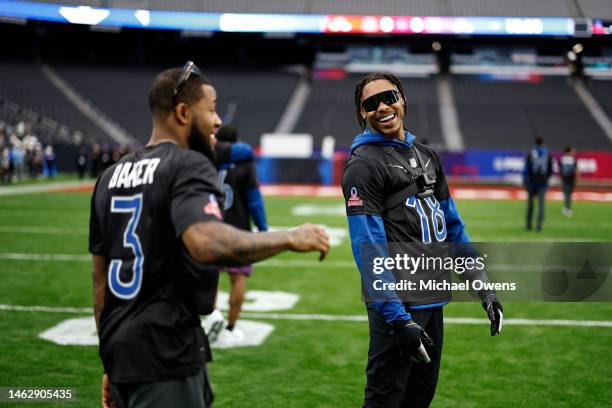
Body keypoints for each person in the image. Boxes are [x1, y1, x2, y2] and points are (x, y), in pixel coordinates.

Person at [89, 61, 330, 408]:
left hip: (124, 356)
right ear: (184, 112)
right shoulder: (188, 163)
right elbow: (206, 242)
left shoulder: (108, 178)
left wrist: (110, 359)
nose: (218, 121)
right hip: (166, 353)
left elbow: (100, 285)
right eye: (212, 110)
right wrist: (289, 237)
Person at [342, 73, 503, 408]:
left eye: (389, 97)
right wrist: (398, 318)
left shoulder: (428, 155)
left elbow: (453, 227)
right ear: (362, 114)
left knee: (419, 400)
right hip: (398, 308)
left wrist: (482, 286)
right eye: (370, 104)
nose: (382, 107)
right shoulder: (363, 166)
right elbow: (368, 248)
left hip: (433, 301)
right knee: (384, 401)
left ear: (403, 99)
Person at [208, 125, 268, 346]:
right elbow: (254, 199)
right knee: (238, 279)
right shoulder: (245, 162)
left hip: (212, 227)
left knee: (211, 278)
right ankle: (231, 327)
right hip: (239, 229)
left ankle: (211, 318)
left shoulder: (207, 159)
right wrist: (262, 228)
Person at [524, 136, 553, 231]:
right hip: (543, 182)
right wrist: (546, 178)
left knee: (530, 204)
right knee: (541, 204)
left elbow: (526, 169)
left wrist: (526, 181)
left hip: (532, 182)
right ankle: (539, 226)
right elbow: (550, 169)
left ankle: (528, 225)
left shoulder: (531, 152)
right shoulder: (547, 153)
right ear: (543, 142)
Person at [559, 145, 578, 217]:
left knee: (566, 194)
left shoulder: (562, 159)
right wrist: (577, 179)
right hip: (571, 179)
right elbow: (576, 170)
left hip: (565, 179)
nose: (574, 152)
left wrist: (561, 178)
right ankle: (568, 208)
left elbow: (560, 170)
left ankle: (567, 207)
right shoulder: (573, 159)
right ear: (569, 151)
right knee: (568, 195)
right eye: (572, 150)